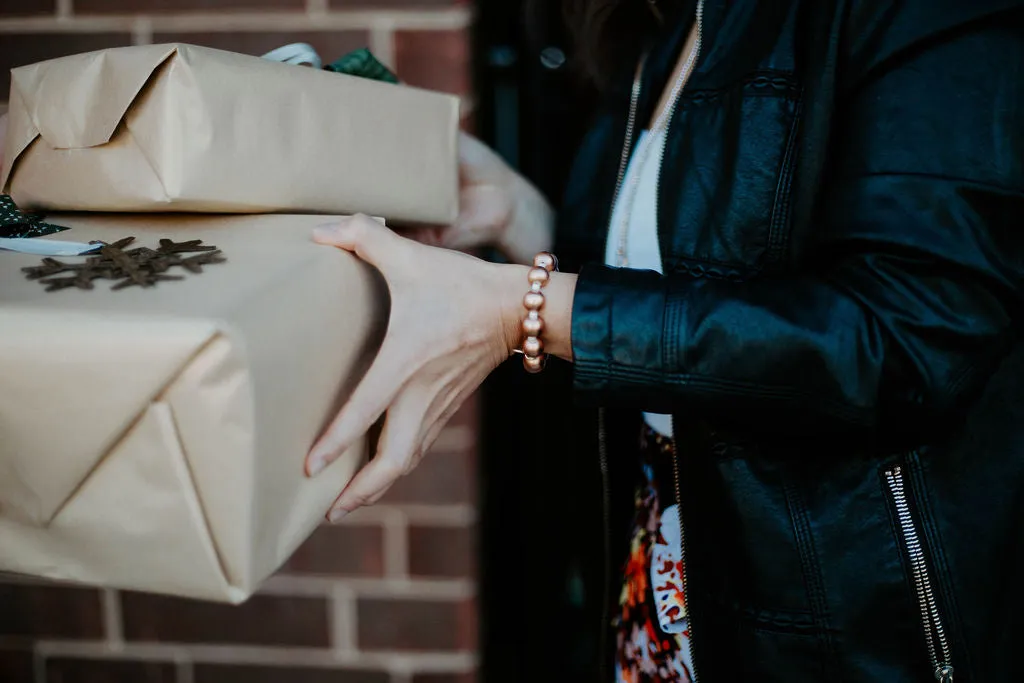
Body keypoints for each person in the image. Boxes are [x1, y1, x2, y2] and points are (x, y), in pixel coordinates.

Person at [304, 0, 1024, 680]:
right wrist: (522, 217)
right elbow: (679, 280)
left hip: (838, 631)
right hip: (664, 587)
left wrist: (525, 308)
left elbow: (902, 337)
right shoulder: (668, 25)